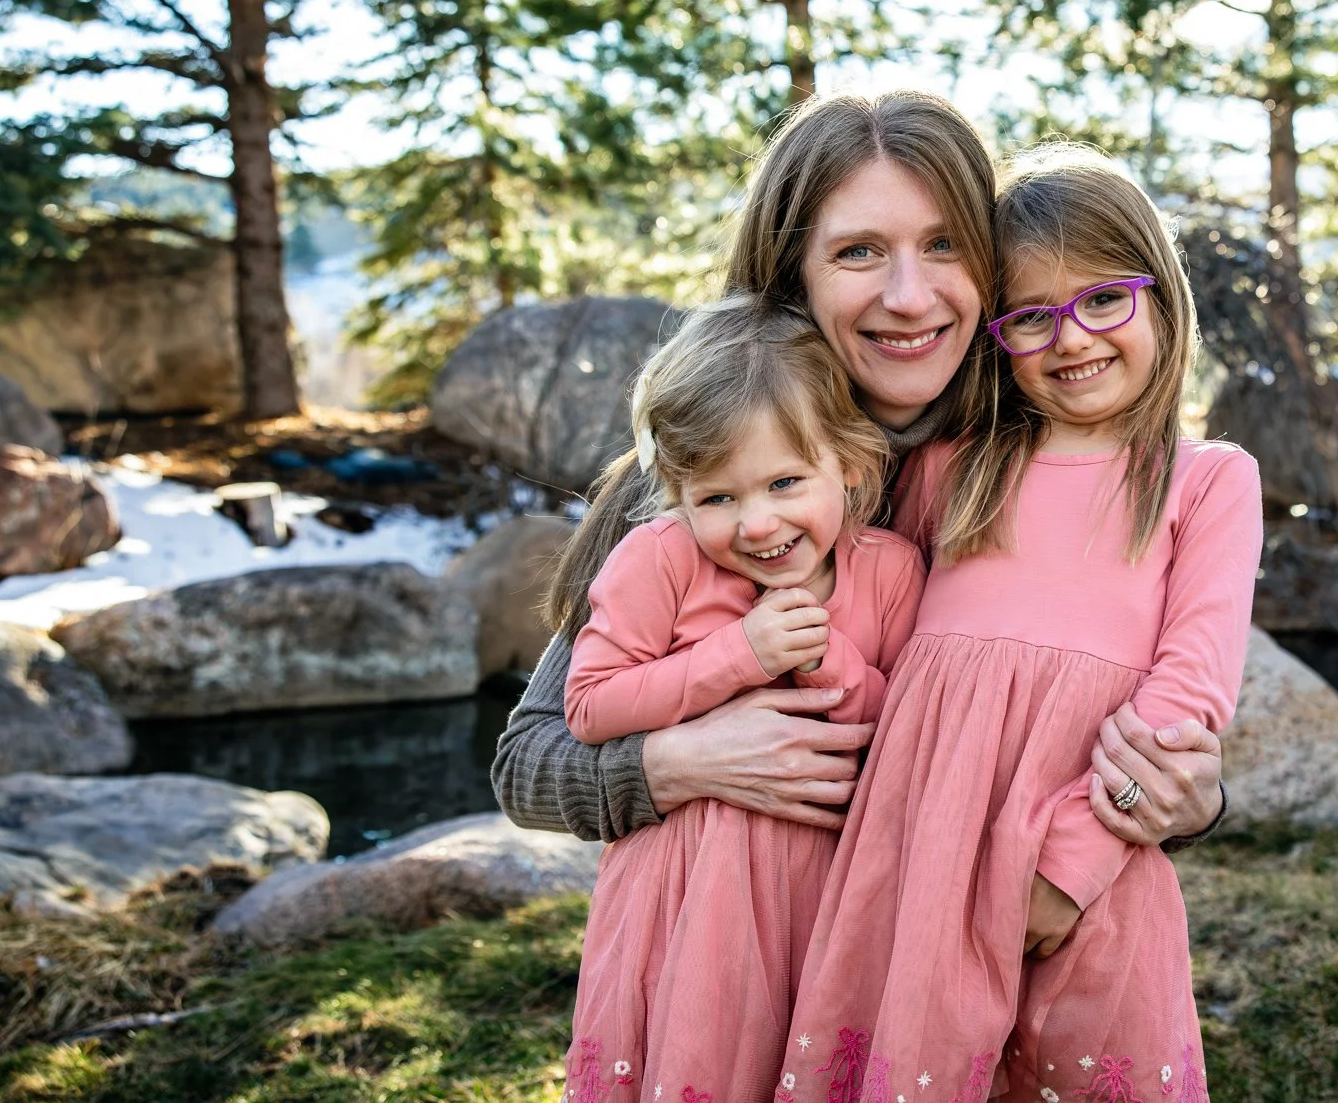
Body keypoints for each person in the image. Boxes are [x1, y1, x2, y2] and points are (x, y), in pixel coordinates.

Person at [491, 91, 1228, 861]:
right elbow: (526, 765)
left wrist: (1185, 797)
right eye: (858, 252)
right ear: (793, 275)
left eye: (945, 245)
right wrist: (682, 762)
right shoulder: (707, 467)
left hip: (939, 931)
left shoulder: (1047, 469)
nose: (909, 298)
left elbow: (1091, 722)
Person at [781, 148, 1260, 1101]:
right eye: (1033, 315)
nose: (1070, 336)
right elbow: (864, 601)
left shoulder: (1205, 481)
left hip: (1082, 862)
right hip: (918, 856)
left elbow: (1189, 691)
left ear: (1161, 293)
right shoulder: (955, 468)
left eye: (1104, 298)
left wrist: (1070, 866)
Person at [556, 299, 925, 1101]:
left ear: (852, 464)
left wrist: (832, 659)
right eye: (716, 497)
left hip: (828, 890)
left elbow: (902, 732)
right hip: (689, 892)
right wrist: (735, 655)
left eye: (786, 482)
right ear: (678, 491)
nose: (757, 523)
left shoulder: (891, 572)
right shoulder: (658, 559)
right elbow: (588, 703)